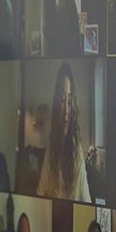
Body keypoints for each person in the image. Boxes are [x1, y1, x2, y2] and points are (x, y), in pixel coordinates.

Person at [36, 62, 92, 201]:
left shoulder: (76, 151)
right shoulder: (51, 148)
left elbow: (86, 199)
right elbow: (40, 193)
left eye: (69, 101)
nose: (66, 111)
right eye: (62, 100)